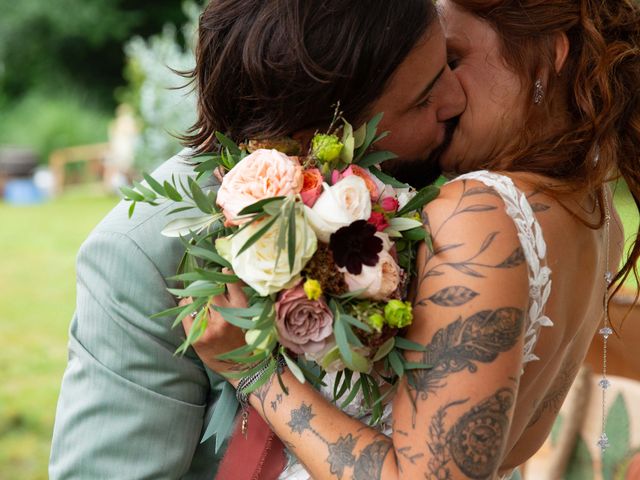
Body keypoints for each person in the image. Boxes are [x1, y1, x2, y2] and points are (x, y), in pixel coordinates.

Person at [185, 0, 640, 479]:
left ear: (550, 56)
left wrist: (256, 374)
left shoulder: (479, 214)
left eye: (456, 59)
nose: (451, 96)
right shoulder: (595, 214)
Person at [48, 1, 465, 478]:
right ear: (316, 134)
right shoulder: (144, 256)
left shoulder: (459, 196)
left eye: (450, 64)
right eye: (424, 99)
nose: (457, 100)